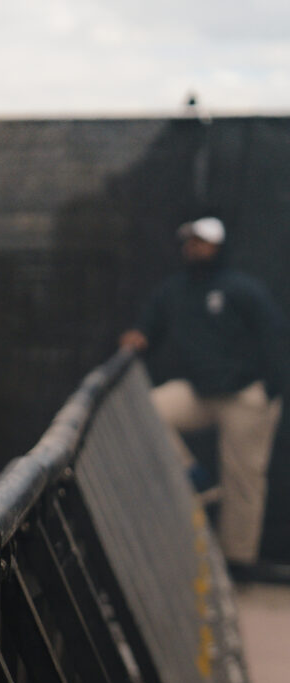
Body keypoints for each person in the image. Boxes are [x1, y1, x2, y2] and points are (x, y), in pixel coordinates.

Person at [123, 218, 288, 570]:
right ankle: (193, 477)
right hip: (201, 391)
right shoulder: (176, 290)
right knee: (147, 409)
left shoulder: (243, 289)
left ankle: (237, 564)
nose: (194, 247)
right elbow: (150, 322)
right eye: (190, 241)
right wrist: (139, 334)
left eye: (202, 241)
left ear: (218, 246)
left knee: (243, 482)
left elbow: (274, 336)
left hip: (245, 395)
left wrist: (270, 388)